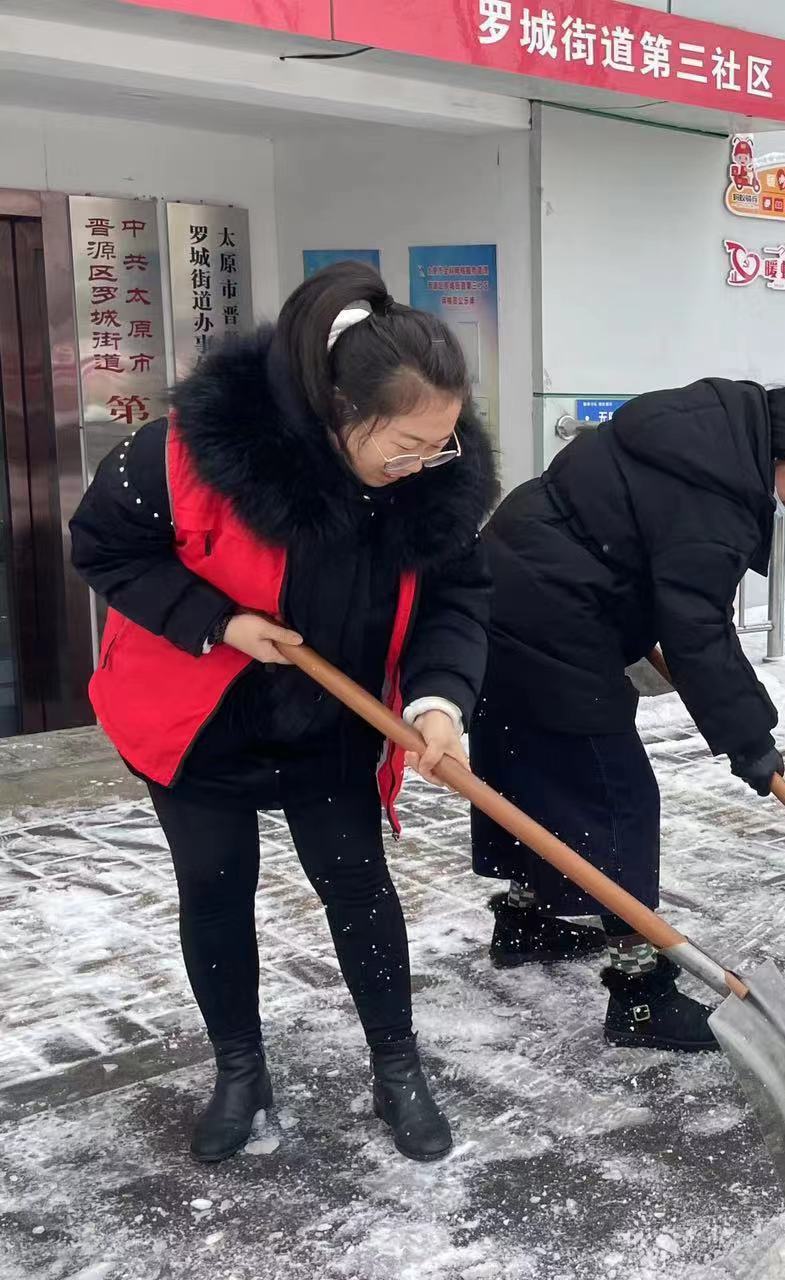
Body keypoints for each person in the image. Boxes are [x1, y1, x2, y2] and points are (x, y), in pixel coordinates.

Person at [70, 262, 497, 1164]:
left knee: (356, 885)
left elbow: (458, 596)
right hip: (199, 719)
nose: (422, 464)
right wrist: (217, 622)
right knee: (216, 891)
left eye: (442, 444)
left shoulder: (431, 482)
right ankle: (240, 1072)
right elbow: (101, 545)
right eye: (405, 446)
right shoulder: (184, 454)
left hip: (332, 722)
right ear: (339, 414)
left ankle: (396, 1067)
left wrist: (438, 700)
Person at [471, 380, 785, 1052]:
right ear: (770, 455)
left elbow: (635, 551)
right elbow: (698, 629)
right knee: (620, 798)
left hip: (504, 583)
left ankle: (525, 921)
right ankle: (639, 992)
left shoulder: (682, 438)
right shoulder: (716, 497)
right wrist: (749, 739)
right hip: (556, 616)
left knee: (524, 763)